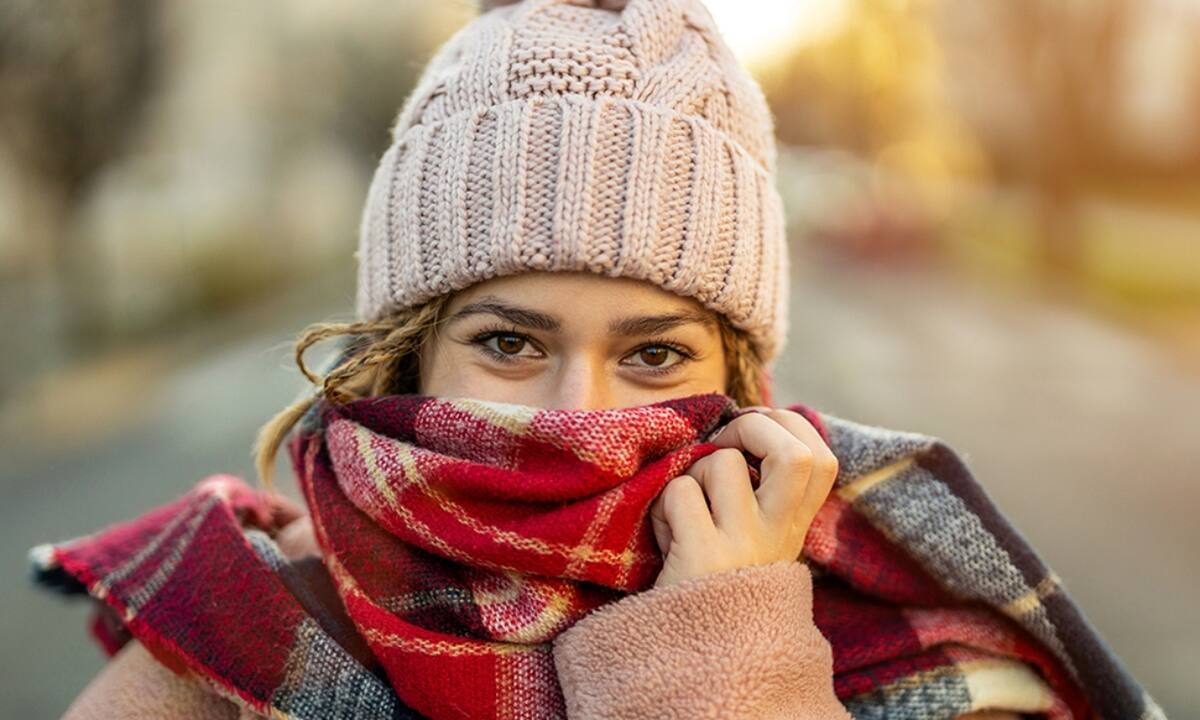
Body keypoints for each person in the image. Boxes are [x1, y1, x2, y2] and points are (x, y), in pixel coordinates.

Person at [43, 0, 1158, 718]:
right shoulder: (229, 642)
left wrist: (726, 664)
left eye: (655, 353)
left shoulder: (897, 630)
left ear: (738, 382)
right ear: (409, 356)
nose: (578, 415)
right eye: (509, 342)